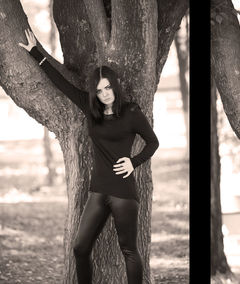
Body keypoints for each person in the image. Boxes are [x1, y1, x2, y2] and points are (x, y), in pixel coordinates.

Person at [19, 29, 159, 284]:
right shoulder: (90, 108)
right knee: (80, 248)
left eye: (108, 88)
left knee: (129, 251)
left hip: (124, 192)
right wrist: (35, 53)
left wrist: (134, 162)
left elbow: (153, 142)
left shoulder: (131, 112)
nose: (105, 93)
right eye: (100, 90)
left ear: (114, 86)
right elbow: (61, 84)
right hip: (98, 191)